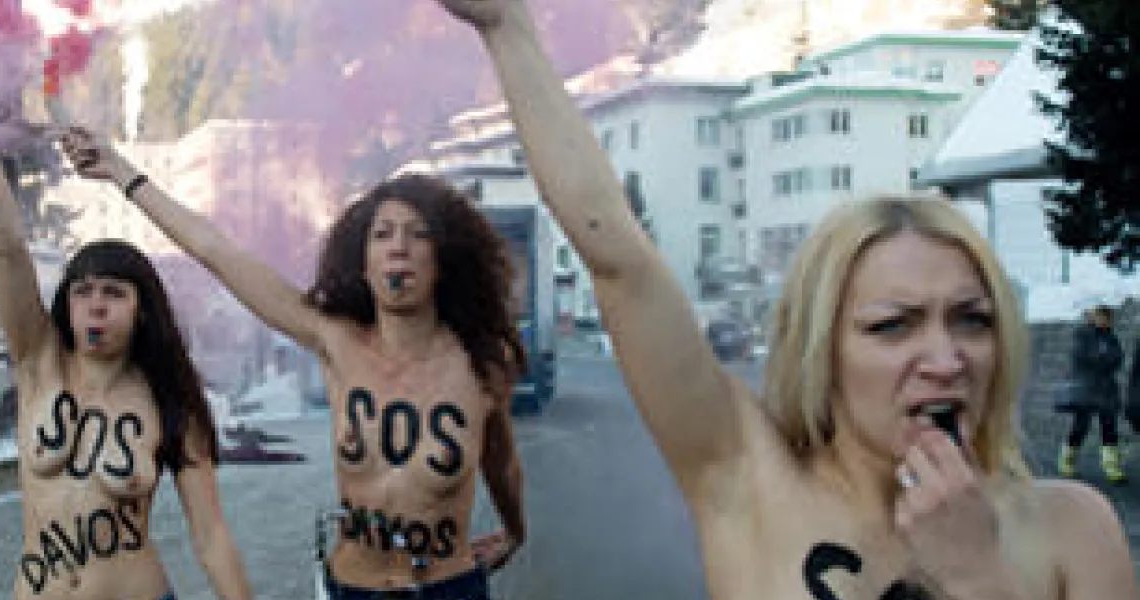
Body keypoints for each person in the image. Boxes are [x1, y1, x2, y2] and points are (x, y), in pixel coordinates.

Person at [433, 0, 1140, 598]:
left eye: (973, 320)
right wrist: (508, 29)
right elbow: (620, 260)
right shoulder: (747, 477)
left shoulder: (1075, 529)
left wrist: (981, 577)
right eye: (893, 326)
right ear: (823, 349)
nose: (945, 357)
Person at [57, 92, 527, 600]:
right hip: (353, 587)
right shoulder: (334, 339)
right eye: (382, 234)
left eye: (418, 235)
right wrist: (122, 173)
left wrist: (515, 530)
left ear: (444, 259)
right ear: (362, 260)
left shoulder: (481, 364)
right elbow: (216, 251)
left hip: (446, 587)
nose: (398, 247)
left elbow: (500, 461)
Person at [0, 46, 255, 600]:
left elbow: (210, 538)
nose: (96, 305)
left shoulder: (170, 401)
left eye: (114, 293)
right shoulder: (39, 364)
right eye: (83, 292)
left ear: (143, 310)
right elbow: (10, 245)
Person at [1058, 305, 1126, 482]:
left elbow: (1118, 359)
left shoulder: (1111, 337)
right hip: (1086, 388)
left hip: (1107, 389)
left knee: (1109, 427)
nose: (1105, 319)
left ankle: (1112, 467)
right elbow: (1082, 357)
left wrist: (1103, 358)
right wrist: (1102, 358)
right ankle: (1067, 461)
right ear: (1092, 316)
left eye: (1108, 316)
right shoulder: (1082, 334)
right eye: (1102, 315)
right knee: (1081, 425)